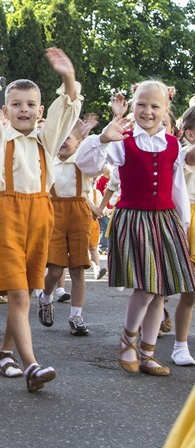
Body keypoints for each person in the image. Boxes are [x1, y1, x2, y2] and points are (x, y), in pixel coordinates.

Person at [0, 34, 82, 392]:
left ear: (40, 111)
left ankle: (5, 352)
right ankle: (32, 365)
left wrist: (67, 76)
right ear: (6, 110)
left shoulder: (48, 139)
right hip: (8, 214)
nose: (25, 110)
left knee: (26, 293)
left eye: (31, 104)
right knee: (17, 294)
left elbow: (68, 107)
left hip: (41, 215)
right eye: (16, 104)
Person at [76, 80, 195, 377]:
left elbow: (177, 186)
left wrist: (183, 222)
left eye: (155, 106)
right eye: (142, 104)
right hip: (135, 218)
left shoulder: (171, 145)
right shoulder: (123, 139)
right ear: (133, 104)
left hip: (165, 220)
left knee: (160, 292)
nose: (148, 111)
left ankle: (148, 351)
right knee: (145, 287)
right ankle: (128, 338)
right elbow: (86, 165)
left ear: (166, 110)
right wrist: (103, 139)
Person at [38, 119, 102, 336]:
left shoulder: (82, 162)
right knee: (55, 268)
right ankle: (46, 297)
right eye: (60, 137)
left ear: (79, 142)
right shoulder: (48, 162)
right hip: (55, 212)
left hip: (79, 214)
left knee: (77, 267)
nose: (63, 141)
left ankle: (76, 315)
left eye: (69, 137)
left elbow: (99, 165)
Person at [170, 105, 195, 366]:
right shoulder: (186, 156)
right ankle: (180, 345)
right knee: (190, 292)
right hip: (189, 221)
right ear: (190, 135)